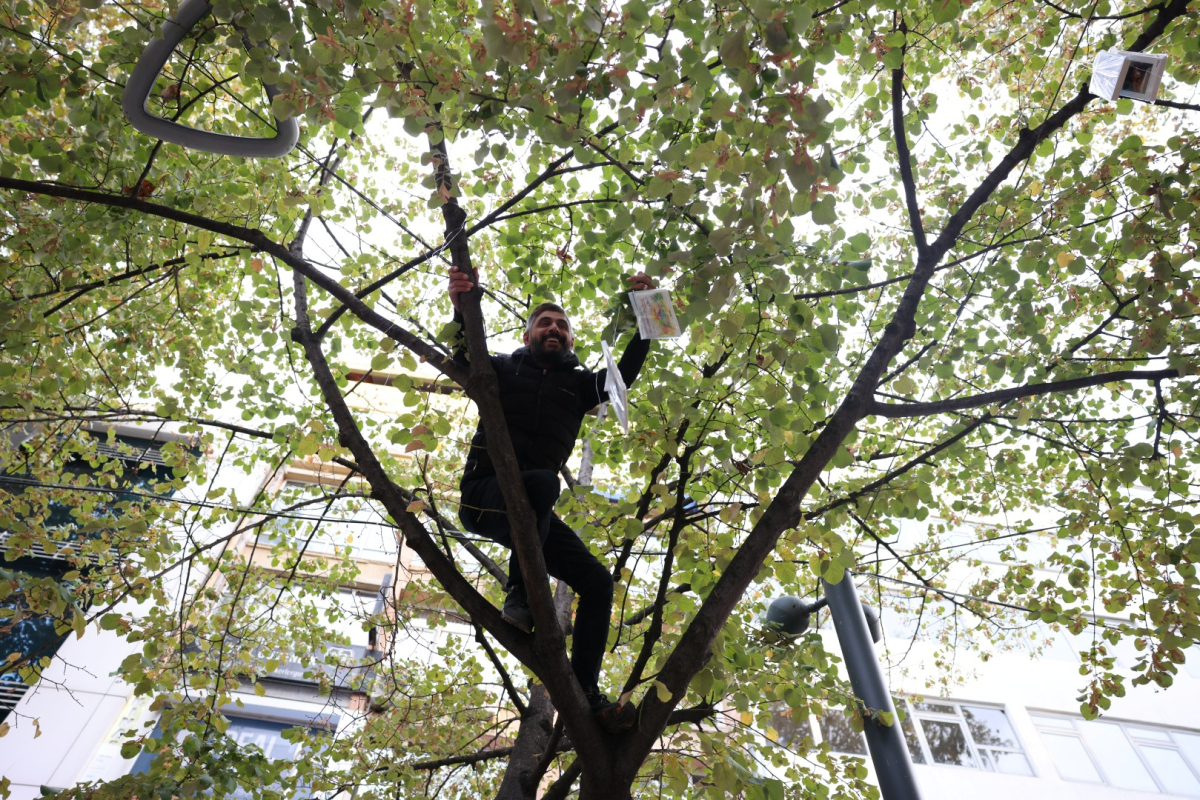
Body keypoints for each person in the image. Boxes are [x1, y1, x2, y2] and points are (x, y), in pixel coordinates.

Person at [447, 264, 655, 733]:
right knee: (543, 483)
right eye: (545, 323)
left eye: (562, 325)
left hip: (534, 510)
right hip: (484, 497)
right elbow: (464, 351)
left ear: (572, 340)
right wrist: (462, 306)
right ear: (528, 336)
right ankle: (521, 593)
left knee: (597, 582)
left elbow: (624, 375)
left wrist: (647, 309)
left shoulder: (579, 385)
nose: (554, 329)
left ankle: (585, 692)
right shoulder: (500, 369)